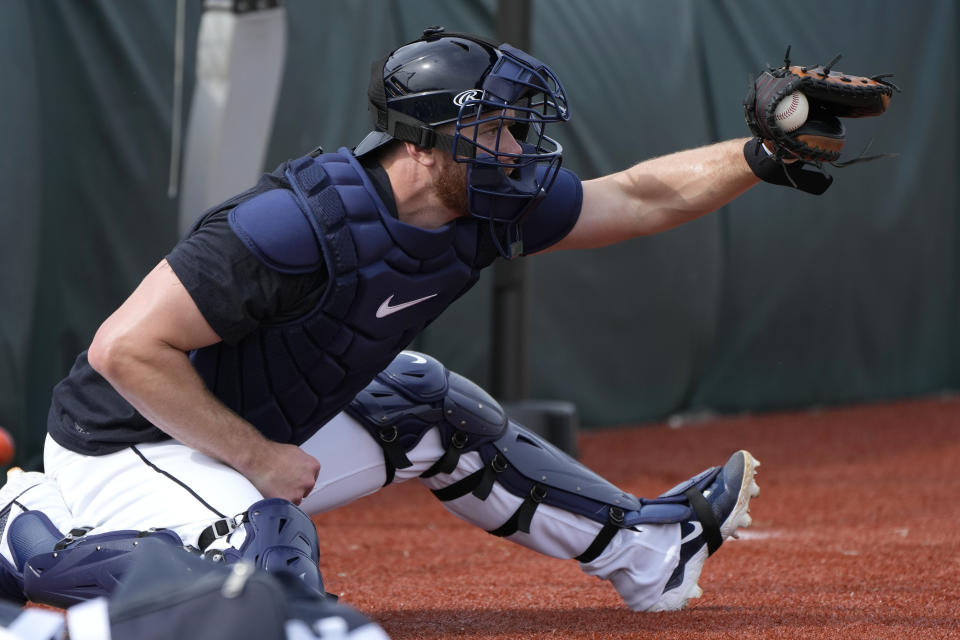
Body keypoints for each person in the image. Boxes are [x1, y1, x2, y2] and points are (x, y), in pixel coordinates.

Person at [2, 26, 890, 617]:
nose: (521, 149)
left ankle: (651, 553)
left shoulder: (488, 203)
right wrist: (256, 458)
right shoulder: (291, 224)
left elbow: (639, 196)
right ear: (427, 142)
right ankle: (32, 532)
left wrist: (758, 156)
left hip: (257, 429)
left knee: (430, 406)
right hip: (129, 442)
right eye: (500, 130)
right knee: (257, 564)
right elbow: (126, 349)